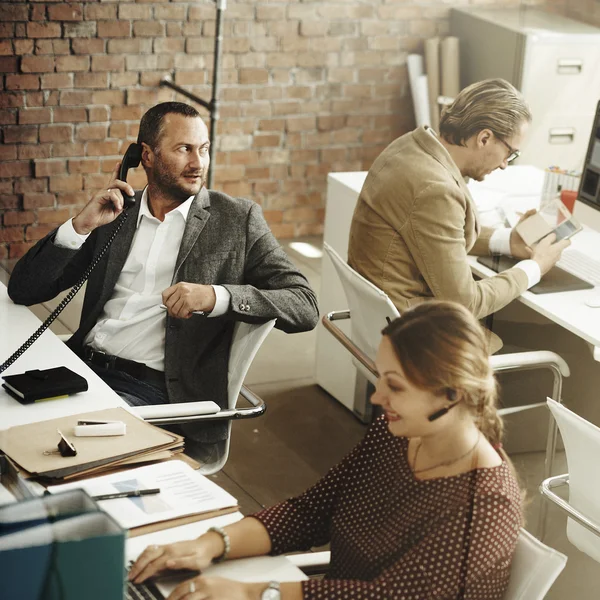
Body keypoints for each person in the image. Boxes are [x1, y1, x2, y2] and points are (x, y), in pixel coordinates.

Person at [129, 301, 522, 600]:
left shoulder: (488, 505)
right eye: (380, 378)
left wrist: (253, 593)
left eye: (396, 387)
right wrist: (209, 544)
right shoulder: (395, 432)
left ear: (452, 395)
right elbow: (312, 511)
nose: (377, 397)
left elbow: (387, 597)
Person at [8, 102, 319, 450]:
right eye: (184, 149)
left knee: (41, 449)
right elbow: (24, 289)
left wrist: (217, 297)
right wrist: (79, 227)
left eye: (203, 149)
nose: (197, 163)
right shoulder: (115, 216)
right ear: (146, 156)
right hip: (79, 370)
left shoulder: (236, 220)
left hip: (153, 390)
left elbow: (304, 305)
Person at [348, 78, 570, 352]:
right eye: (509, 154)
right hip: (417, 337)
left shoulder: (410, 147)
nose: (504, 165)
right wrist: (535, 267)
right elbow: (466, 302)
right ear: (484, 137)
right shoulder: (436, 189)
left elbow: (434, 233)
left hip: (386, 319)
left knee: (531, 331)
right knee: (562, 345)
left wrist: (507, 240)